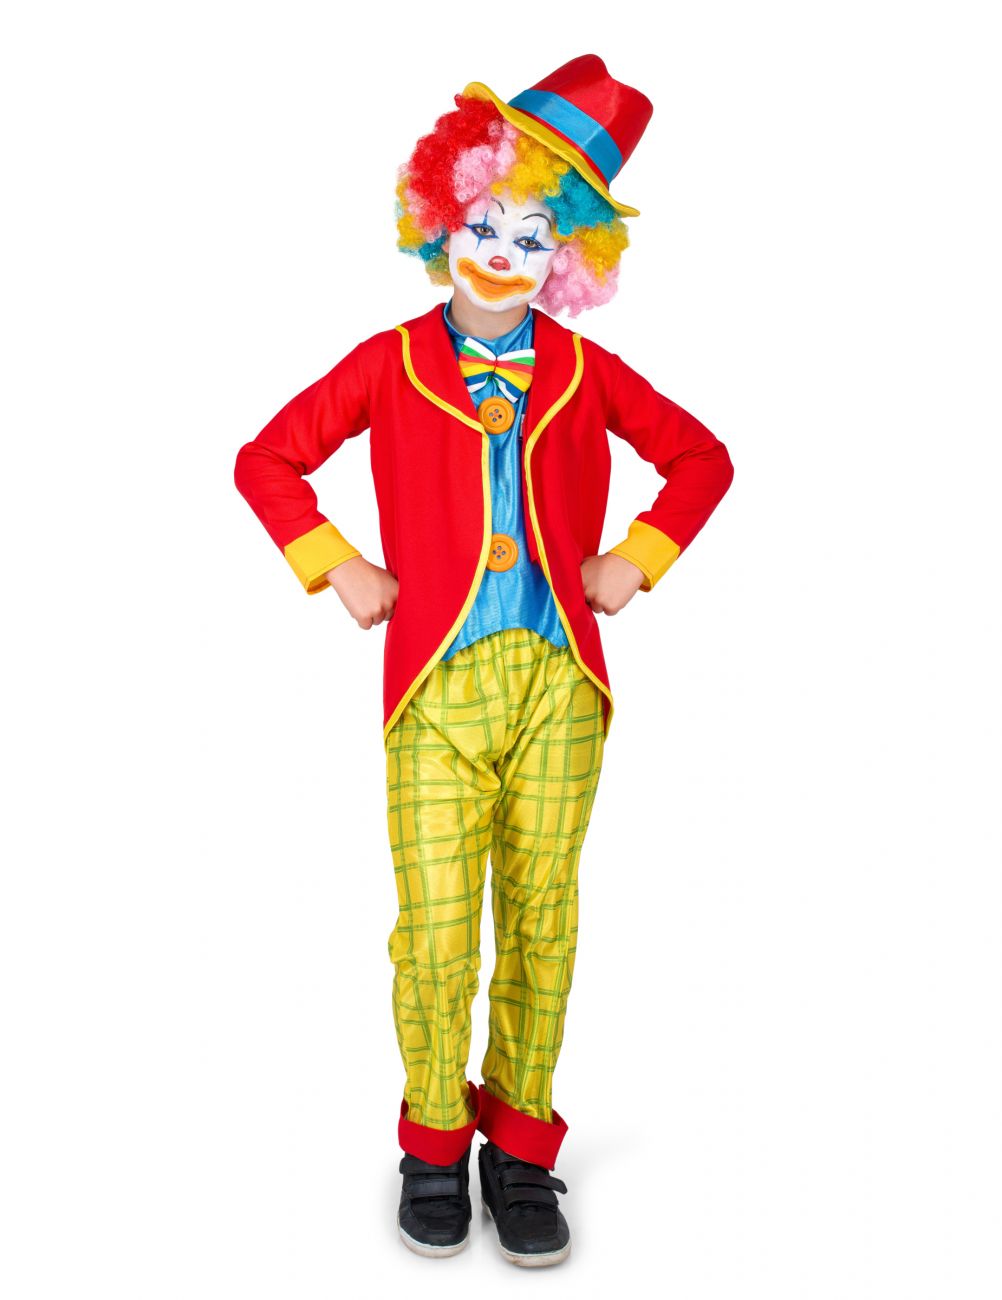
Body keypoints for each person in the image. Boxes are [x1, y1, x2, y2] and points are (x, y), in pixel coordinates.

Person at [234, 53, 734, 1268]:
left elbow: (702, 458)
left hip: (560, 680)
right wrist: (337, 563)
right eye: (482, 224)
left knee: (544, 915)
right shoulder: (387, 362)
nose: (502, 253)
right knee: (438, 927)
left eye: (532, 236)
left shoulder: (584, 371)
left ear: (567, 257)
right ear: (440, 218)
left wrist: (638, 557)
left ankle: (520, 1145)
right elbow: (267, 460)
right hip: (437, 683)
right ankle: (431, 1141)